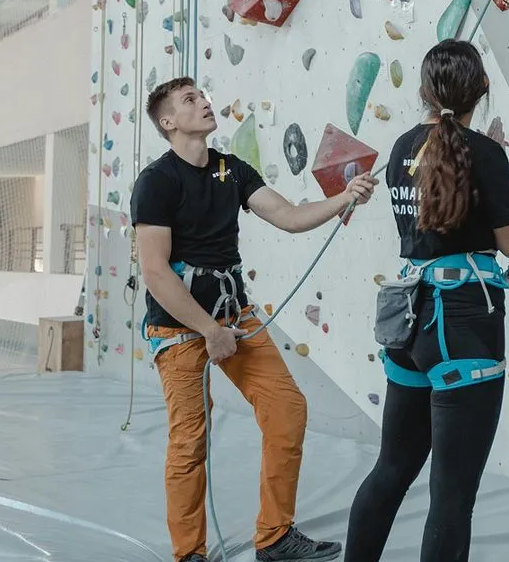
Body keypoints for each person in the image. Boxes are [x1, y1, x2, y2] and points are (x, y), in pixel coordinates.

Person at [131, 77, 377, 562]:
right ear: (168, 122)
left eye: (202, 95)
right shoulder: (157, 182)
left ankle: (275, 536)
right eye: (190, 100)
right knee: (189, 441)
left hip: (234, 318)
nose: (204, 102)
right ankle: (189, 554)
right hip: (181, 329)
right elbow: (156, 273)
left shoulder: (231, 169)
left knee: (287, 410)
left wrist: (345, 197)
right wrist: (208, 331)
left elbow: (288, 216)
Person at [344, 39, 509, 562]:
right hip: (464, 328)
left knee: (391, 470)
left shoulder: (402, 148)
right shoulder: (484, 154)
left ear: (425, 92)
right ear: (483, 90)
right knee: (451, 500)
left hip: (408, 325)